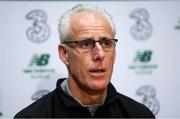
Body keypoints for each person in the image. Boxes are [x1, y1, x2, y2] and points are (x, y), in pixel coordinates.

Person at [14, 4, 155, 118]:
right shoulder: (31, 117)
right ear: (64, 54)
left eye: (106, 43)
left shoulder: (140, 115)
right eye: (86, 44)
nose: (100, 54)